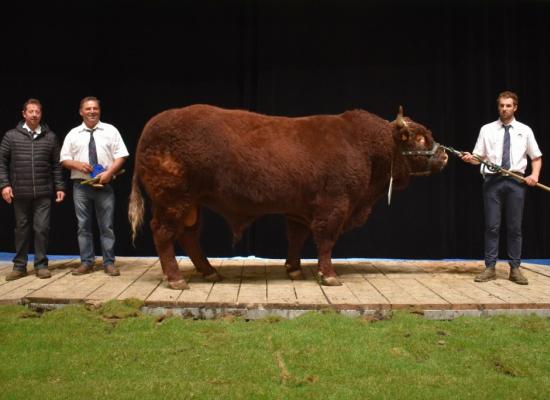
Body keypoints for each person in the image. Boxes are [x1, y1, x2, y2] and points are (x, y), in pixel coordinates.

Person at [461, 91, 542, 285]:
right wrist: (470, 158)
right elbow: (478, 156)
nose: (504, 109)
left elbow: (536, 158)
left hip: (516, 183)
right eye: (501, 106)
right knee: (492, 226)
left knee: (514, 228)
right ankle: (490, 268)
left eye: (508, 105)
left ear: (515, 107)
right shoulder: (486, 130)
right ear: (498, 107)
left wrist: (534, 175)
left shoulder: (525, 130)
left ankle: (515, 269)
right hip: (493, 182)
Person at [60, 96, 128, 276]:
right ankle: (86, 262)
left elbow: (121, 155)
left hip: (104, 186)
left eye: (95, 108)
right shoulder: (73, 134)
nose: (92, 112)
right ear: (81, 111)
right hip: (81, 186)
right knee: (83, 226)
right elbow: (64, 159)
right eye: (88, 109)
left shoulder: (111, 130)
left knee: (107, 226)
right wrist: (76, 165)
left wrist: (109, 173)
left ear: (99, 111)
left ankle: (109, 262)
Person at [0, 99, 66, 281]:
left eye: (37, 111)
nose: (34, 114)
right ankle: (19, 266)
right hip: (20, 192)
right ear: (24, 114)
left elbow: (56, 166)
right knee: (21, 229)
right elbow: (1, 163)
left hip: (43, 193)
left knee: (42, 228)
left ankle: (41, 265)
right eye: (31, 111)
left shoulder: (50, 137)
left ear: (41, 114)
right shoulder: (11, 136)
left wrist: (60, 187)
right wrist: (4, 185)